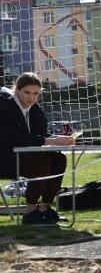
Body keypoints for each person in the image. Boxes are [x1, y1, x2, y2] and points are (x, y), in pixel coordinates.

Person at [0, 72, 74, 226]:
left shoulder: (33, 109)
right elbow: (13, 139)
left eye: (36, 94)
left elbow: (39, 135)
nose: (31, 98)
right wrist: (48, 140)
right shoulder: (4, 106)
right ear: (16, 90)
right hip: (4, 158)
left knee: (59, 159)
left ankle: (45, 208)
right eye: (27, 92)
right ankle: (29, 211)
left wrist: (59, 140)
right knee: (41, 160)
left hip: (21, 157)